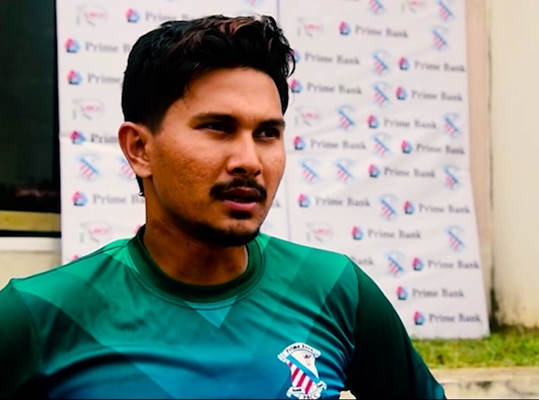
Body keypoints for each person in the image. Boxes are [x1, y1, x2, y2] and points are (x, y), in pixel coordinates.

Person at [0, 15, 446, 399]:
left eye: (267, 133)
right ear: (139, 149)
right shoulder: (38, 315)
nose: (250, 161)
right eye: (217, 127)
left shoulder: (336, 289)